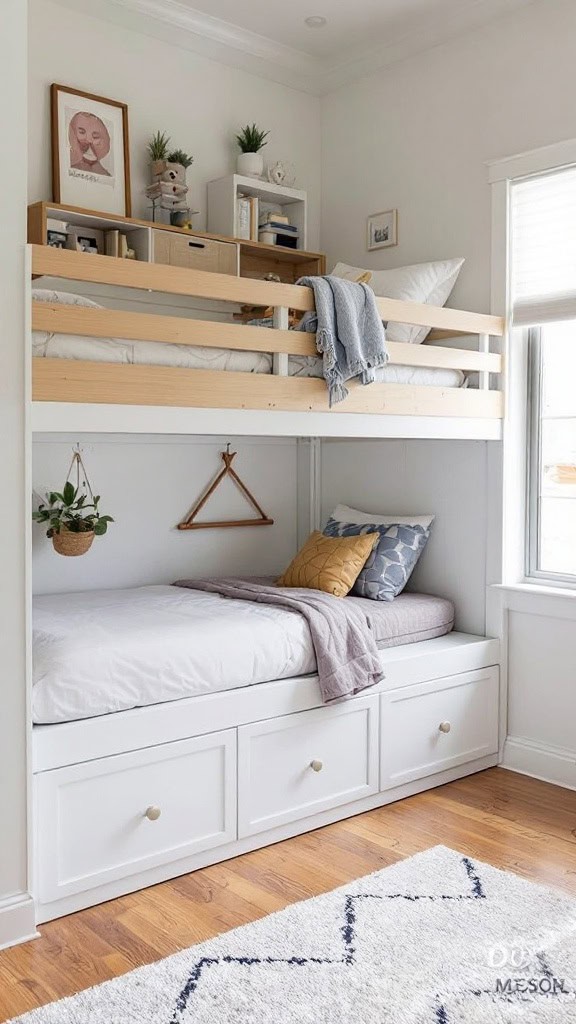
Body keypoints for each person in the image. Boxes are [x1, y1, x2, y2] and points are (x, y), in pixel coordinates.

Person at [68, 111, 111, 176]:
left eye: (95, 137)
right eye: (82, 132)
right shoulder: (66, 166)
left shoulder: (105, 174)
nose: (88, 140)